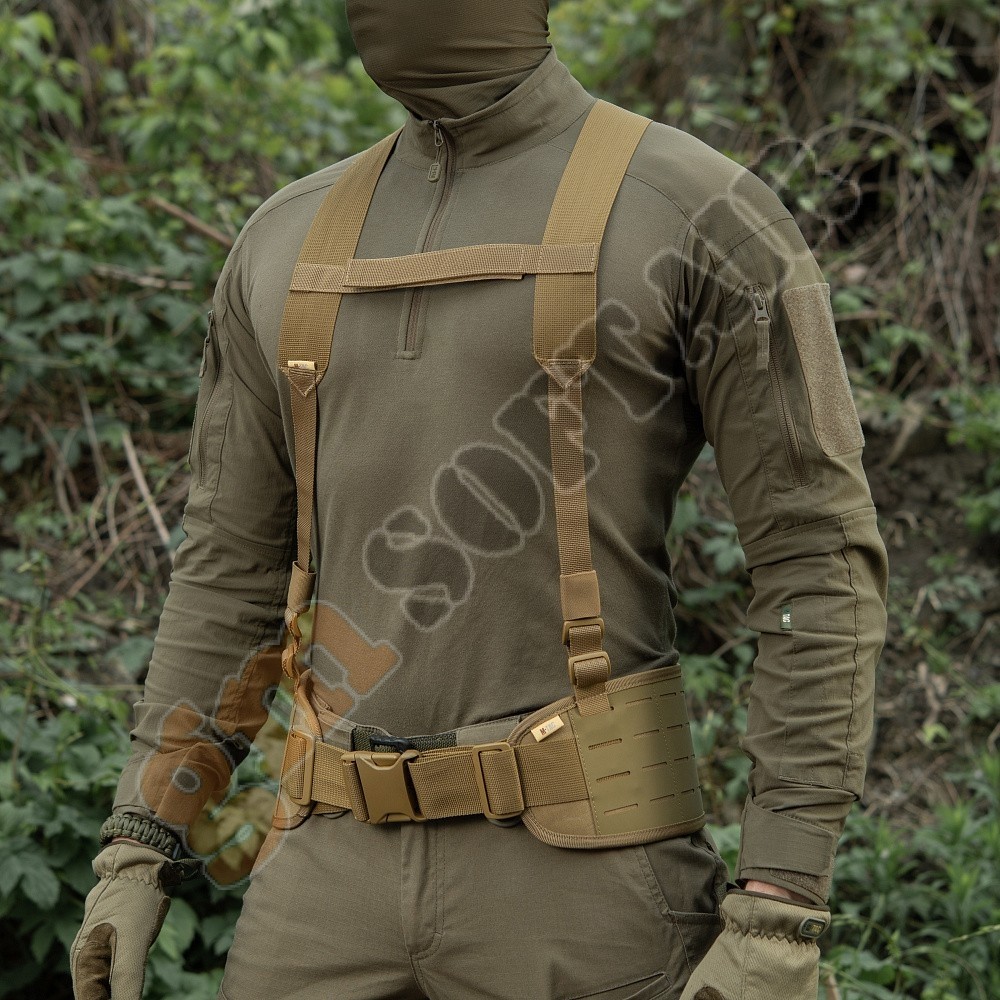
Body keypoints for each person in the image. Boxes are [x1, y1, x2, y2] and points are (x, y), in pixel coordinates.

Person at [71, 2, 889, 999]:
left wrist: (779, 903)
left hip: (588, 880)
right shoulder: (283, 239)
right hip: (319, 883)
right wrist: (142, 837)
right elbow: (226, 569)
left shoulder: (699, 214)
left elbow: (816, 561)